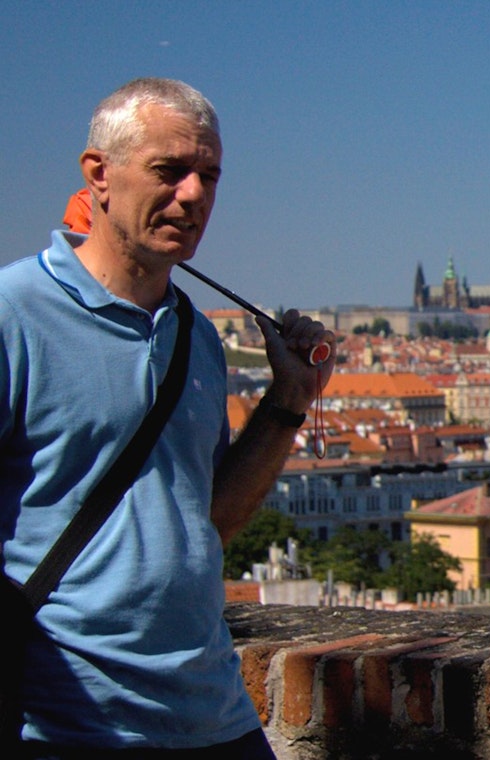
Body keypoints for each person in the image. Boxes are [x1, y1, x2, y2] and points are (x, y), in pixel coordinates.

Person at [0, 78, 334, 757]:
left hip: (213, 713)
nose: (194, 195)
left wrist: (287, 403)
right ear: (98, 174)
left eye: (208, 175)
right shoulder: (14, 314)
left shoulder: (198, 338)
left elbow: (207, 519)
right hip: (66, 725)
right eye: (170, 170)